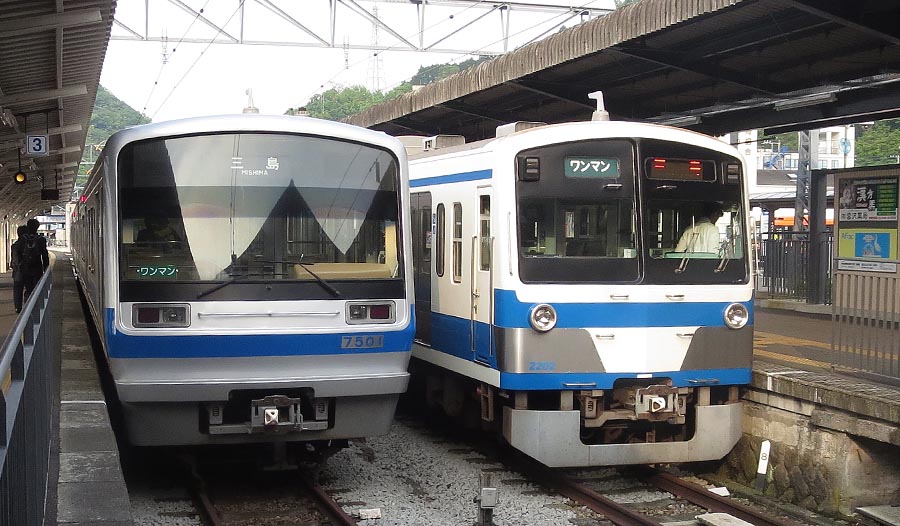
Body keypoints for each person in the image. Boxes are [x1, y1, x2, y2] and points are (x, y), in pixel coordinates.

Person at [17, 218, 50, 307]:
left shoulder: (22, 239)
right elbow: (45, 255)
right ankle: (35, 307)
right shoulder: (41, 239)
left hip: (25, 269)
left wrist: (19, 266)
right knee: (36, 289)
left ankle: (27, 307)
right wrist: (46, 269)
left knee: (28, 289)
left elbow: (18, 253)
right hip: (37, 269)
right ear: (37, 228)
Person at [9, 225, 28, 313]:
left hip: (17, 272)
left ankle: (18, 307)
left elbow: (13, 261)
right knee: (29, 289)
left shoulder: (14, 245)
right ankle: (28, 306)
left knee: (17, 290)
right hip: (28, 271)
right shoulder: (28, 245)